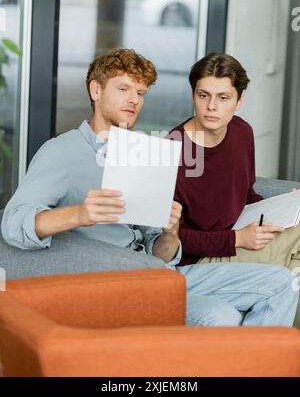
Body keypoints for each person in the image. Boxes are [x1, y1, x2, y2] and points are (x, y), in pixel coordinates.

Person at [1, 48, 298, 327]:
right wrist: (79, 214)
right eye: (123, 89)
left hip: (162, 271)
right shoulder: (62, 152)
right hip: (121, 281)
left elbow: (162, 253)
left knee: (281, 282)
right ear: (96, 90)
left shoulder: (142, 151)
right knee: (218, 315)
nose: (134, 100)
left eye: (140, 93)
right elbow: (12, 224)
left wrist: (170, 232)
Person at [168, 52, 300, 323]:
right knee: (288, 274)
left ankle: (265, 357)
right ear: (193, 96)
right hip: (197, 262)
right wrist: (238, 239)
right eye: (203, 95)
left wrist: (277, 209)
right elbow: (170, 240)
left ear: (239, 101)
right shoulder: (173, 150)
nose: (211, 106)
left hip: (236, 237)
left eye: (223, 97)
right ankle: (261, 358)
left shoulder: (242, 132)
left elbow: (246, 193)